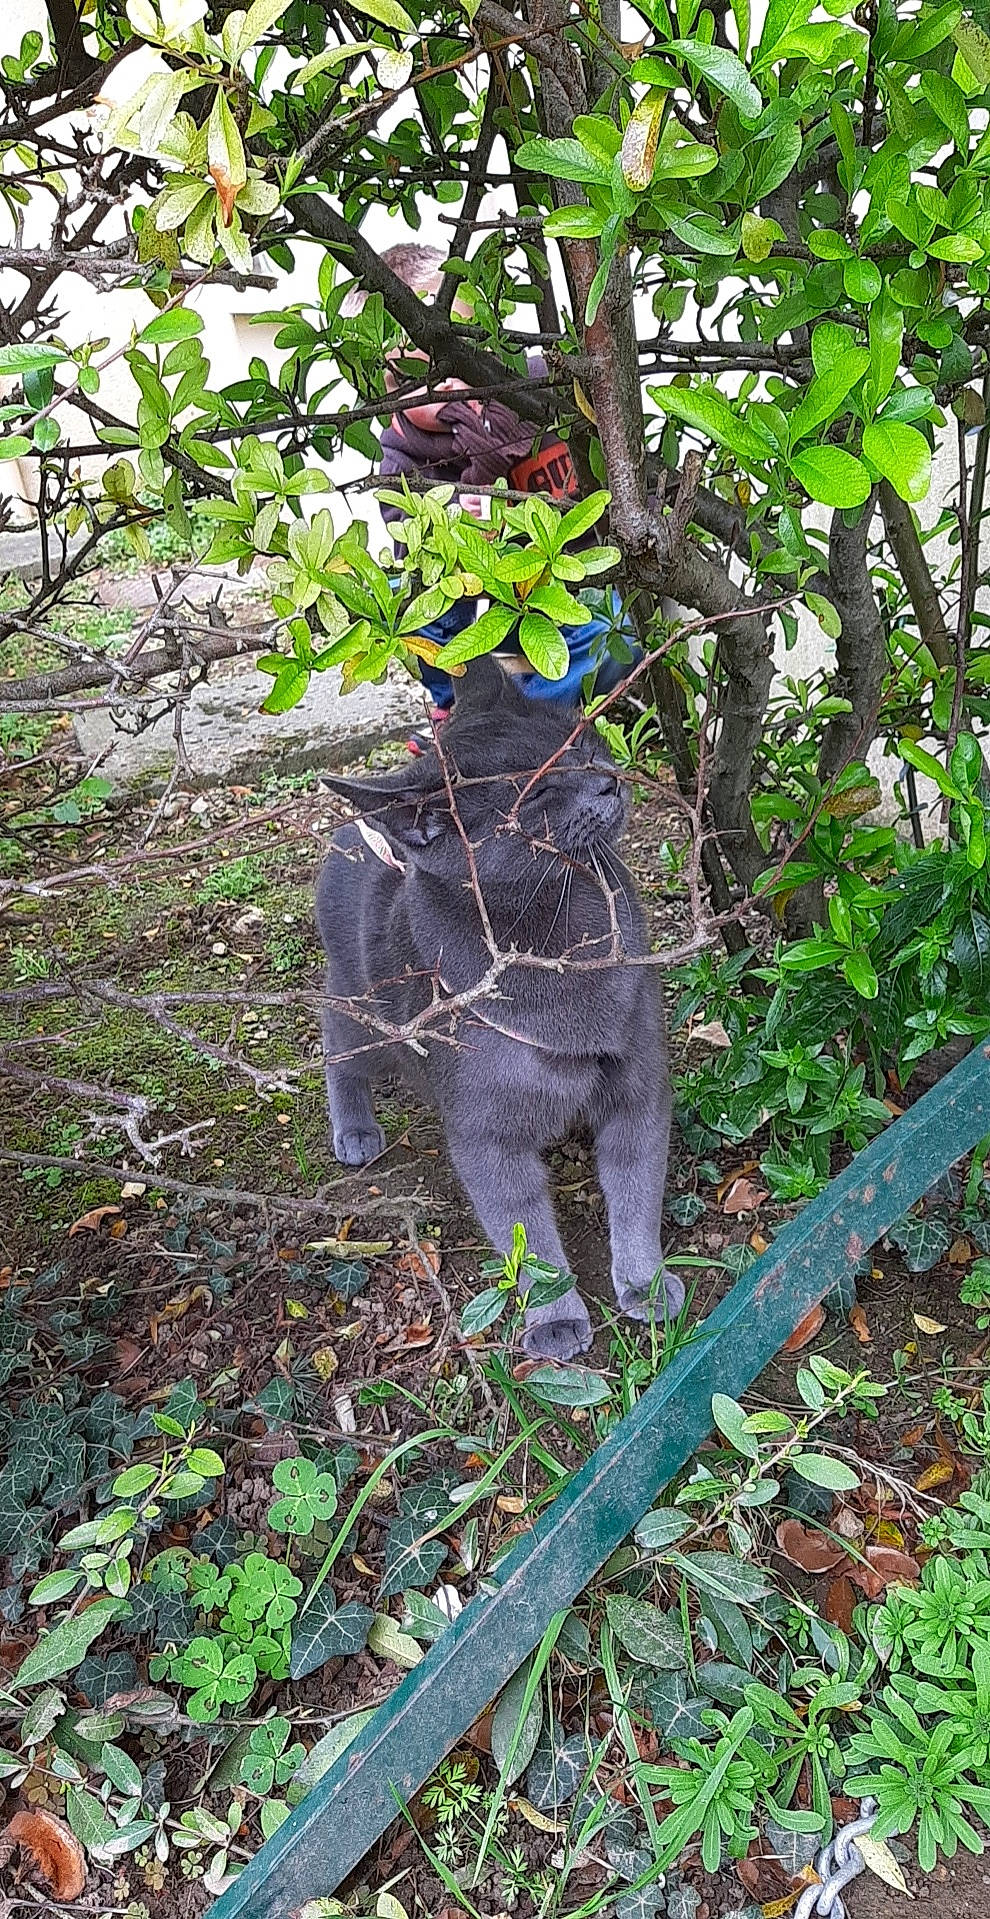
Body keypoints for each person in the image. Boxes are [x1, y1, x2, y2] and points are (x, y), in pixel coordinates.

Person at [343, 244, 640, 751]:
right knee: (417, 594)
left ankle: (509, 725)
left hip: (563, 593)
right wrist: (484, 458)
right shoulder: (402, 463)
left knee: (618, 639)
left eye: (463, 355)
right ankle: (453, 707)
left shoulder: (538, 390)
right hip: (484, 611)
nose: (453, 386)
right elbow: (432, 577)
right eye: (424, 381)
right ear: (387, 398)